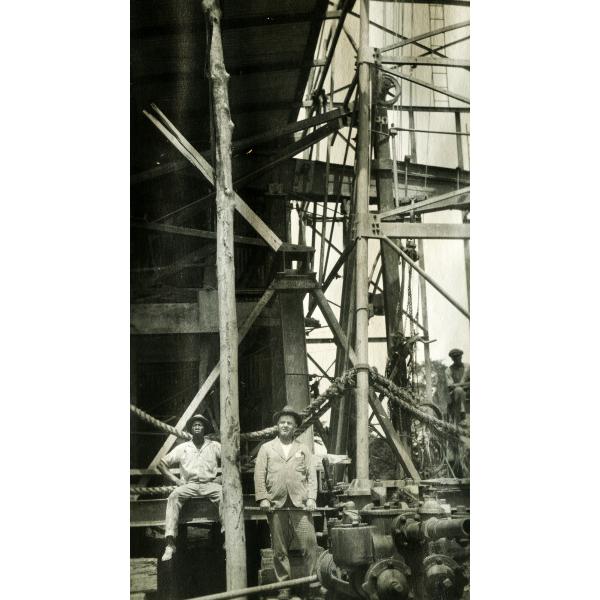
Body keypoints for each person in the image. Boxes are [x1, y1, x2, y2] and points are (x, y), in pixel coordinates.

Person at [254, 406, 319, 600]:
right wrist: (263, 498)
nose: (285, 425)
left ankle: (313, 586)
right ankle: (284, 588)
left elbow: (311, 476)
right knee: (280, 550)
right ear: (277, 425)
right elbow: (259, 475)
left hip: (300, 504)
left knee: (310, 545)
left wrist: (312, 498)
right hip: (276, 504)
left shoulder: (303, 449)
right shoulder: (267, 448)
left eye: (289, 423)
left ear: (295, 428)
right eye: (282, 422)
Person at [158, 414, 222, 561]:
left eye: (200, 425)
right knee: (173, 497)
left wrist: (221, 478)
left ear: (204, 428)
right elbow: (162, 464)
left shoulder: (214, 446)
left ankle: (227, 538)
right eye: (195, 425)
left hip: (210, 484)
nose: (197, 427)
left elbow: (232, 459)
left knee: (225, 495)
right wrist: (176, 480)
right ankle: (170, 544)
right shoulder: (183, 447)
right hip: (189, 485)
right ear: (191, 429)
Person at [445, 349, 470, 423]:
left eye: (458, 357)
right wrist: (465, 384)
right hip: (455, 394)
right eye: (454, 358)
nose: (457, 359)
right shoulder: (448, 370)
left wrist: (458, 384)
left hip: (467, 392)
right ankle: (462, 415)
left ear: (461, 357)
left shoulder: (467, 367)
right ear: (452, 359)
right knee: (458, 390)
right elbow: (451, 386)